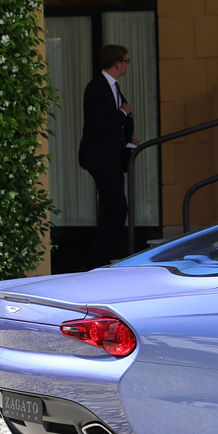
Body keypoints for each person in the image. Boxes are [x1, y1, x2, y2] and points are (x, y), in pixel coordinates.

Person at [77, 45, 136, 270]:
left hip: (111, 157)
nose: (127, 65)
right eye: (126, 61)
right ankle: (100, 260)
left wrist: (128, 139)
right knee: (117, 208)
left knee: (113, 208)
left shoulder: (112, 87)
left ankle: (102, 259)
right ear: (117, 63)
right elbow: (102, 124)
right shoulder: (96, 88)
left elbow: (114, 126)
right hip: (101, 159)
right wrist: (123, 112)